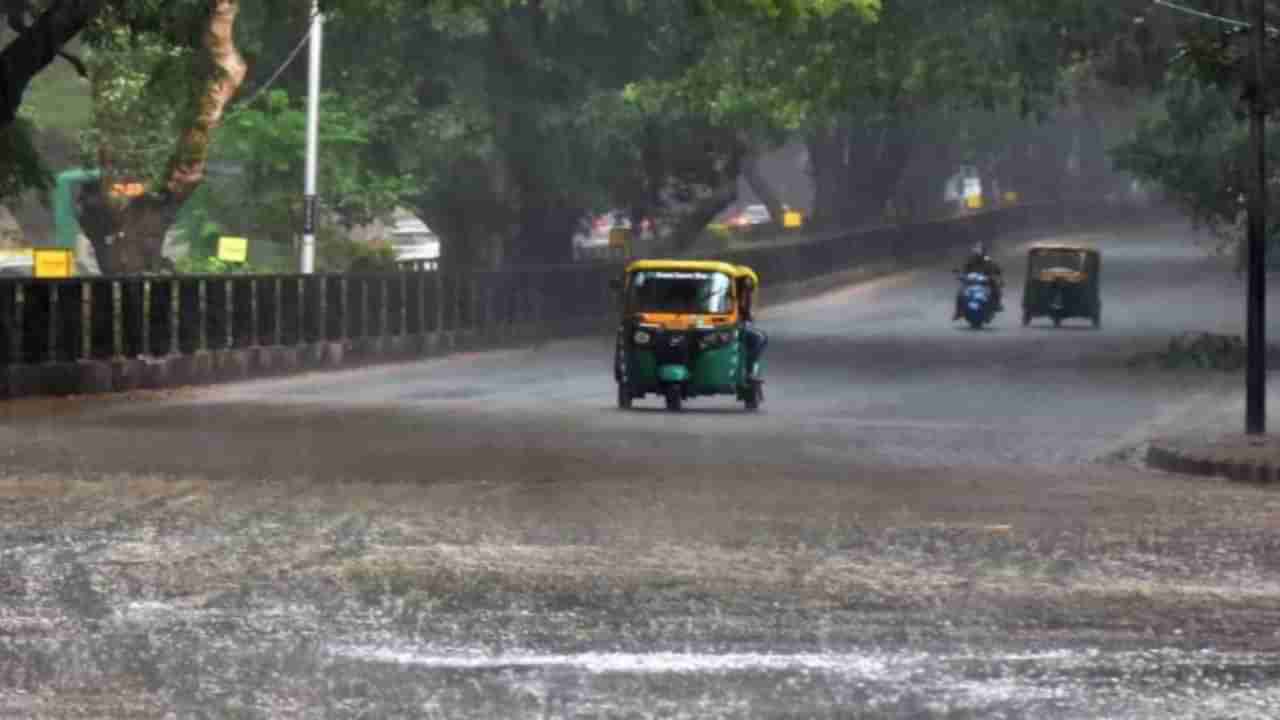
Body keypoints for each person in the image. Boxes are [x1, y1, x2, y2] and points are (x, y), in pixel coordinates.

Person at [954, 241, 1004, 320]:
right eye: (976, 249)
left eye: (979, 249)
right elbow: (964, 268)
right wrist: (961, 275)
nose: (978, 251)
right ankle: (958, 311)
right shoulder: (970, 259)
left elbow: (995, 268)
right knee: (960, 292)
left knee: (995, 288)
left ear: (983, 251)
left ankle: (997, 304)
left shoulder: (987, 259)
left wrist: (996, 276)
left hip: (985, 280)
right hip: (972, 281)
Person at [737, 276, 767, 380]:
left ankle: (751, 368)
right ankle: (750, 369)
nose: (748, 287)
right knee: (758, 338)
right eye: (746, 285)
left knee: (760, 337)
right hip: (729, 329)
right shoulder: (730, 296)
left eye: (749, 286)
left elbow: (749, 315)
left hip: (739, 328)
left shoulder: (744, 297)